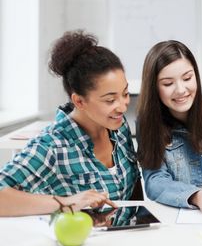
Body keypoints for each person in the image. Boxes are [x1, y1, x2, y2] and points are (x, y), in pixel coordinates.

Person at [0, 30, 140, 217]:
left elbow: (133, 195)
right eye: (110, 100)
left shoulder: (119, 128)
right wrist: (66, 203)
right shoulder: (51, 144)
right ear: (79, 101)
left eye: (125, 93)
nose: (122, 106)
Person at [137, 40, 202, 215]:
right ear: (154, 88)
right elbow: (154, 181)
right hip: (181, 225)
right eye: (167, 83)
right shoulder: (147, 125)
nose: (181, 90)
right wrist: (196, 196)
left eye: (187, 78)